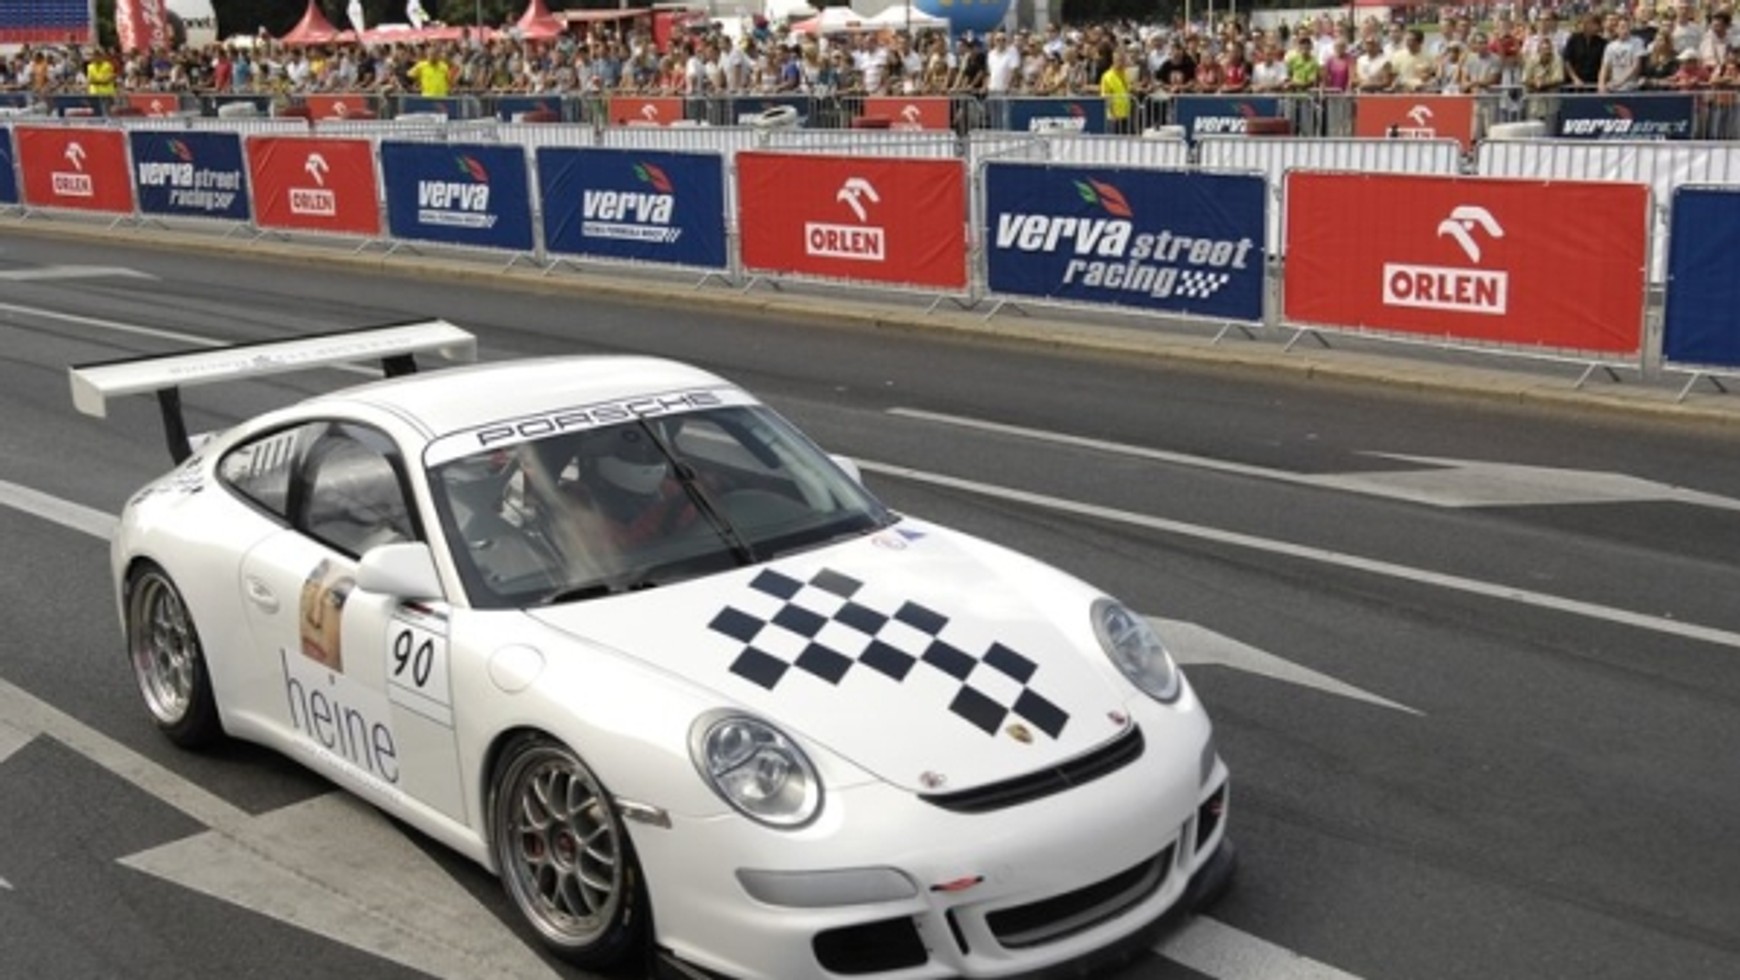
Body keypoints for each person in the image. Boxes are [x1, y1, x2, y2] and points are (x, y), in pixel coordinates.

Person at [1101, 45, 1133, 134]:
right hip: (1114, 117)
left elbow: (1129, 89)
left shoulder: (1127, 73)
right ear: (1114, 60)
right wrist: (1111, 113)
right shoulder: (1107, 76)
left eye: (1123, 60)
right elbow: (1105, 96)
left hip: (1126, 114)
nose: (1122, 62)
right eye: (1119, 60)